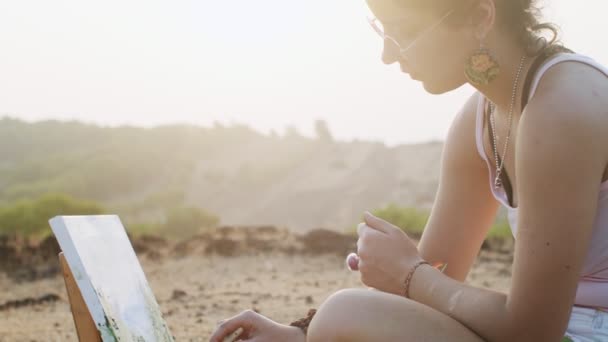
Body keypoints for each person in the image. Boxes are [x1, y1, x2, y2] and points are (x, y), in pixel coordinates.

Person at [209, 0, 608, 340]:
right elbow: (436, 270)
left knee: (346, 314)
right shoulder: (482, 116)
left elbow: (532, 329)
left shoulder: (562, 108)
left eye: (402, 30)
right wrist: (301, 332)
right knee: (345, 317)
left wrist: (410, 273)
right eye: (380, 30)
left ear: (480, 15)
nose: (388, 54)